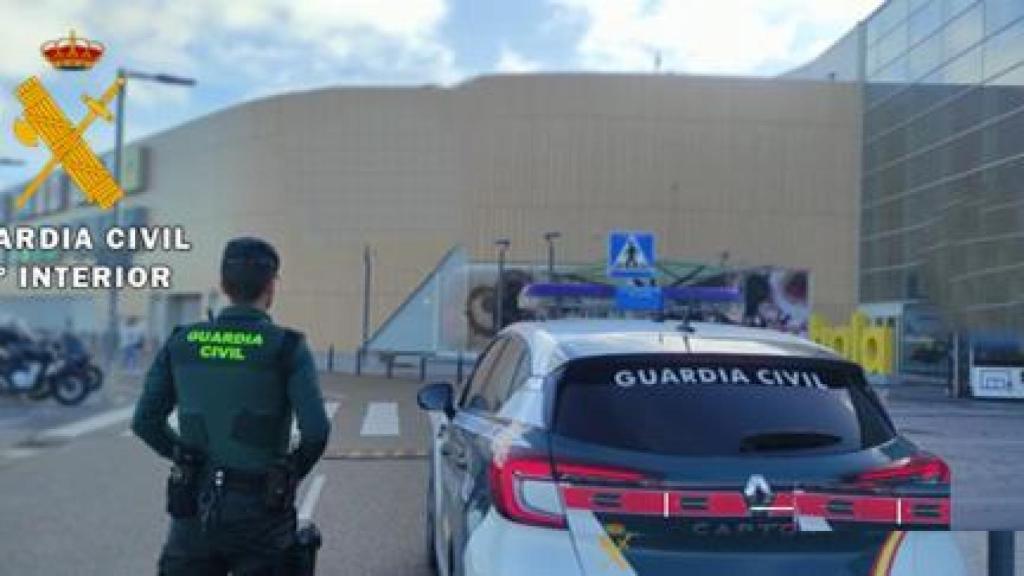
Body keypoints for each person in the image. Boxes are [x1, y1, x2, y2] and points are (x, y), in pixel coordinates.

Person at [132, 237, 331, 575]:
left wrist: (183, 455)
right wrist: (289, 473)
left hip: (193, 504)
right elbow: (316, 430)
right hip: (262, 511)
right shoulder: (287, 347)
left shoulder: (182, 342)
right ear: (271, 286)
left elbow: (144, 421)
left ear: (223, 285)